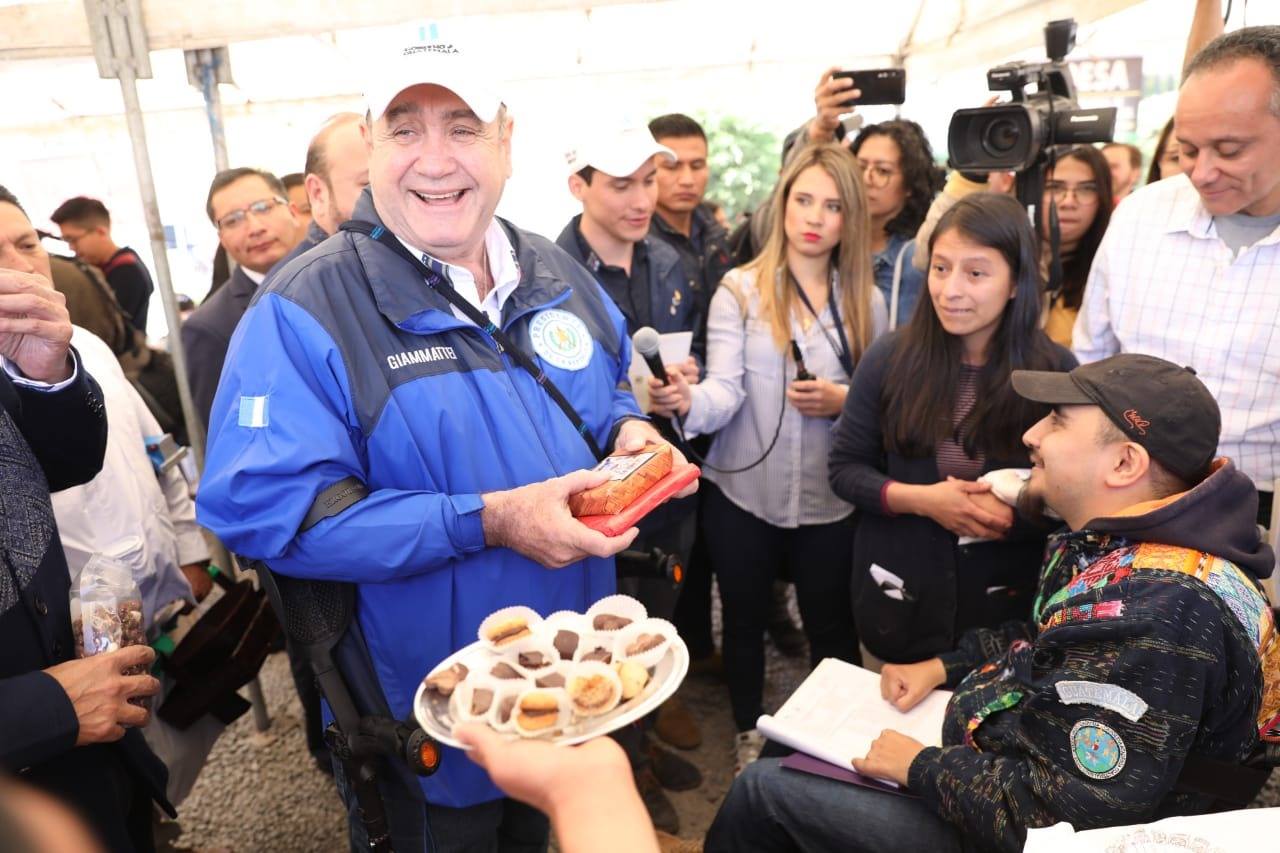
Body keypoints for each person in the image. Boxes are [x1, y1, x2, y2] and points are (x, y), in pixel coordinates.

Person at [195, 42, 693, 850]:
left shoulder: (551, 266)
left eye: (463, 128)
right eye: (405, 130)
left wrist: (626, 429)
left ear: (506, 142)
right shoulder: (304, 307)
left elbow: (603, 384)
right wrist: (488, 520)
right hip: (428, 728)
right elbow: (270, 516)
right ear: (371, 146)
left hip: (571, 696)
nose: (435, 160)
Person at [709, 353, 1279, 853]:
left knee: (761, 794)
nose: (1031, 434)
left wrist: (919, 767)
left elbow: (1069, 818)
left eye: (1057, 421)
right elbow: (1048, 641)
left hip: (1041, 825)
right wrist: (945, 666)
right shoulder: (1120, 543)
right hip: (1010, 750)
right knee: (785, 741)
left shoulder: (1156, 613)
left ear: (1124, 463)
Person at [649, 142, 886, 774]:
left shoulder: (867, 299)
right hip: (743, 494)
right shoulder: (741, 290)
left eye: (832, 206)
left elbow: (879, 403)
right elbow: (724, 392)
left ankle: (840, 744)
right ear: (782, 205)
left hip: (830, 498)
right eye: (803, 200)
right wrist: (686, 401)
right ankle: (749, 733)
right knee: (744, 620)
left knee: (831, 625)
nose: (814, 217)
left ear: (850, 217)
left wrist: (842, 399)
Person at [829, 193, 1076, 668]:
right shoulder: (890, 358)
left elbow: (1073, 500)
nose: (950, 290)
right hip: (898, 593)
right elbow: (844, 470)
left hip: (1005, 611)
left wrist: (1014, 515)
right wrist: (924, 500)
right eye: (941, 269)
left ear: (1015, 283)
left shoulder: (1054, 371)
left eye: (976, 273)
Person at [0, 186, 169, 852]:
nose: (17, 268)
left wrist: (46, 373)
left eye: (25, 244)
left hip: (89, 755)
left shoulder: (32, 352)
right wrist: (44, 709)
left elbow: (69, 464)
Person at [554, 124, 705, 833]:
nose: (643, 198)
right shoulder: (550, 278)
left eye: (649, 179)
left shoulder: (674, 262)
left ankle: (643, 736)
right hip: (597, 494)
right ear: (577, 184)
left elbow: (693, 353)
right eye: (622, 184)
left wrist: (688, 381)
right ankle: (620, 770)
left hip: (666, 478)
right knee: (603, 634)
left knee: (656, 621)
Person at [1074, 25, 1280, 523]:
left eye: (1229, 150)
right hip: (1128, 505)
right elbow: (1089, 364)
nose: (1202, 172)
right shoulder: (1139, 217)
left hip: (1264, 515)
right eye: (1187, 149)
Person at [181, 167, 300, 430]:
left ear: (292, 211)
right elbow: (235, 430)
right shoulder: (211, 327)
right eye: (233, 220)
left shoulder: (341, 279)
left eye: (263, 208)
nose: (254, 228)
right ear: (221, 238)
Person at [49, 196, 155, 334]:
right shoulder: (112, 264)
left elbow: (111, 329)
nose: (71, 247)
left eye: (73, 239)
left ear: (101, 232)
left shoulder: (127, 272)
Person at [1041, 145, 1113, 346]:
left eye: (1086, 189)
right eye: (1054, 187)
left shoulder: (1114, 270)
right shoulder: (1007, 261)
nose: (1068, 202)